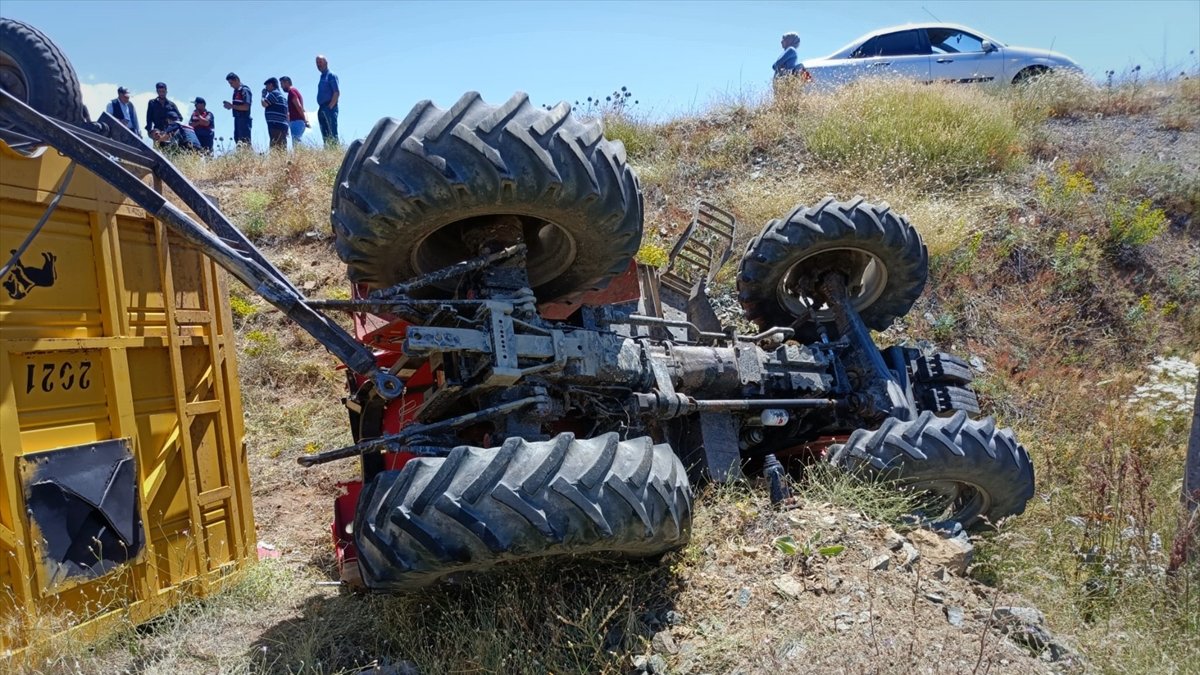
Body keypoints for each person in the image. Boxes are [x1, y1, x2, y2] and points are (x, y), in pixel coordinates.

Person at [315, 54, 339, 146]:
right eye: (317, 63)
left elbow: (336, 92)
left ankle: (335, 151)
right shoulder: (322, 77)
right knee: (325, 134)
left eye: (320, 62)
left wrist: (330, 107)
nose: (318, 64)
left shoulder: (331, 75)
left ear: (326, 63)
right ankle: (328, 153)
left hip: (329, 107)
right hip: (321, 108)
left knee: (332, 132)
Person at [223, 72, 253, 147]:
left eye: (231, 83)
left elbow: (246, 107)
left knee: (245, 141)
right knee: (238, 140)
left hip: (244, 119)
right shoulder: (236, 92)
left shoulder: (244, 90)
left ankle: (248, 157)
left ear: (236, 80)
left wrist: (232, 106)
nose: (231, 86)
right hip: (237, 119)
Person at [279, 76, 310, 147]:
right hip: (297, 122)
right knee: (297, 143)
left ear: (287, 82)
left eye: (282, 84)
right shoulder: (294, 92)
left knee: (297, 145)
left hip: (297, 121)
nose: (281, 86)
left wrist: (304, 120)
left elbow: (298, 106)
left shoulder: (292, 92)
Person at [261, 77, 289, 151]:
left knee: (275, 148)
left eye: (267, 85)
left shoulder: (274, 93)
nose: (266, 88)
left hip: (275, 125)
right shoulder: (282, 96)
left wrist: (263, 95)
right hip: (283, 125)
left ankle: (278, 162)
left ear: (271, 85)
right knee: (282, 147)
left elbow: (264, 104)